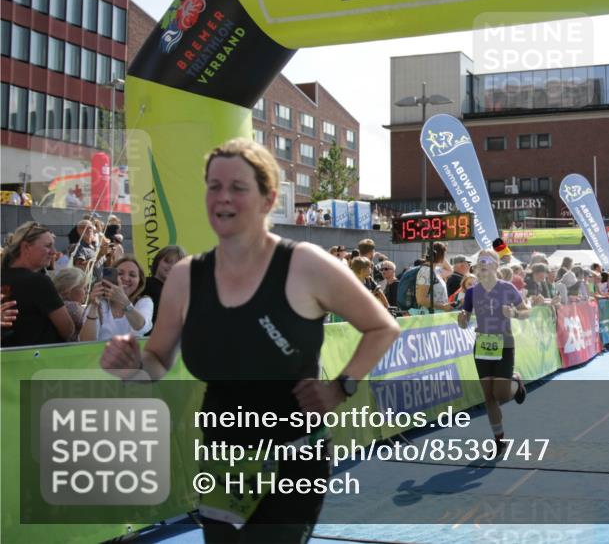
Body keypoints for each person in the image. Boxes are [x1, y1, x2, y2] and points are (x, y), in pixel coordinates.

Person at [98, 138, 400, 540]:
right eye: (214, 186)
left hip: (294, 457)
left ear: (268, 199)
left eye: (238, 187)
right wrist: (131, 369)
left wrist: (341, 386)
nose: (223, 197)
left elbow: (383, 327)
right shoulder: (186, 277)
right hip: (223, 459)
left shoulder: (304, 264)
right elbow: (156, 361)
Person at [456, 250, 528, 457]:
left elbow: (526, 311)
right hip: (482, 345)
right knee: (488, 396)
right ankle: (499, 441)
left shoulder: (507, 288)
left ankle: (516, 382)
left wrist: (514, 313)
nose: (482, 264)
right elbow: (464, 321)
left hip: (504, 344)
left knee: (501, 394)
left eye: (486, 261)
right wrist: (462, 319)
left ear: (496, 265)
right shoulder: (472, 292)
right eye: (480, 262)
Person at [0, 222, 75, 346]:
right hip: (39, 356)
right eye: (48, 246)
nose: (54, 251)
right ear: (26, 247)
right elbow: (68, 330)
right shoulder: (38, 282)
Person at [80, 255, 154, 341]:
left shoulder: (144, 302)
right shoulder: (101, 303)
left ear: (140, 281)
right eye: (120, 273)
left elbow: (141, 327)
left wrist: (123, 301)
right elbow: (86, 341)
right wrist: (93, 306)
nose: (125, 278)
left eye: (132, 275)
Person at [145, 245, 187, 321]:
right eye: (167, 261)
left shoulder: (178, 294)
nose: (171, 266)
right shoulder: (143, 283)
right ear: (158, 261)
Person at [51, 266, 89, 341]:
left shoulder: (56, 303)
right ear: (69, 289)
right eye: (84, 288)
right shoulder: (72, 307)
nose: (87, 291)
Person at [416, 242, 452, 312]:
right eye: (444, 254)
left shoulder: (436, 270)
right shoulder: (426, 271)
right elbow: (421, 300)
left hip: (438, 315)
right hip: (429, 316)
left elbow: (450, 270)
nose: (445, 257)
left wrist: (440, 254)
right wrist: (443, 307)